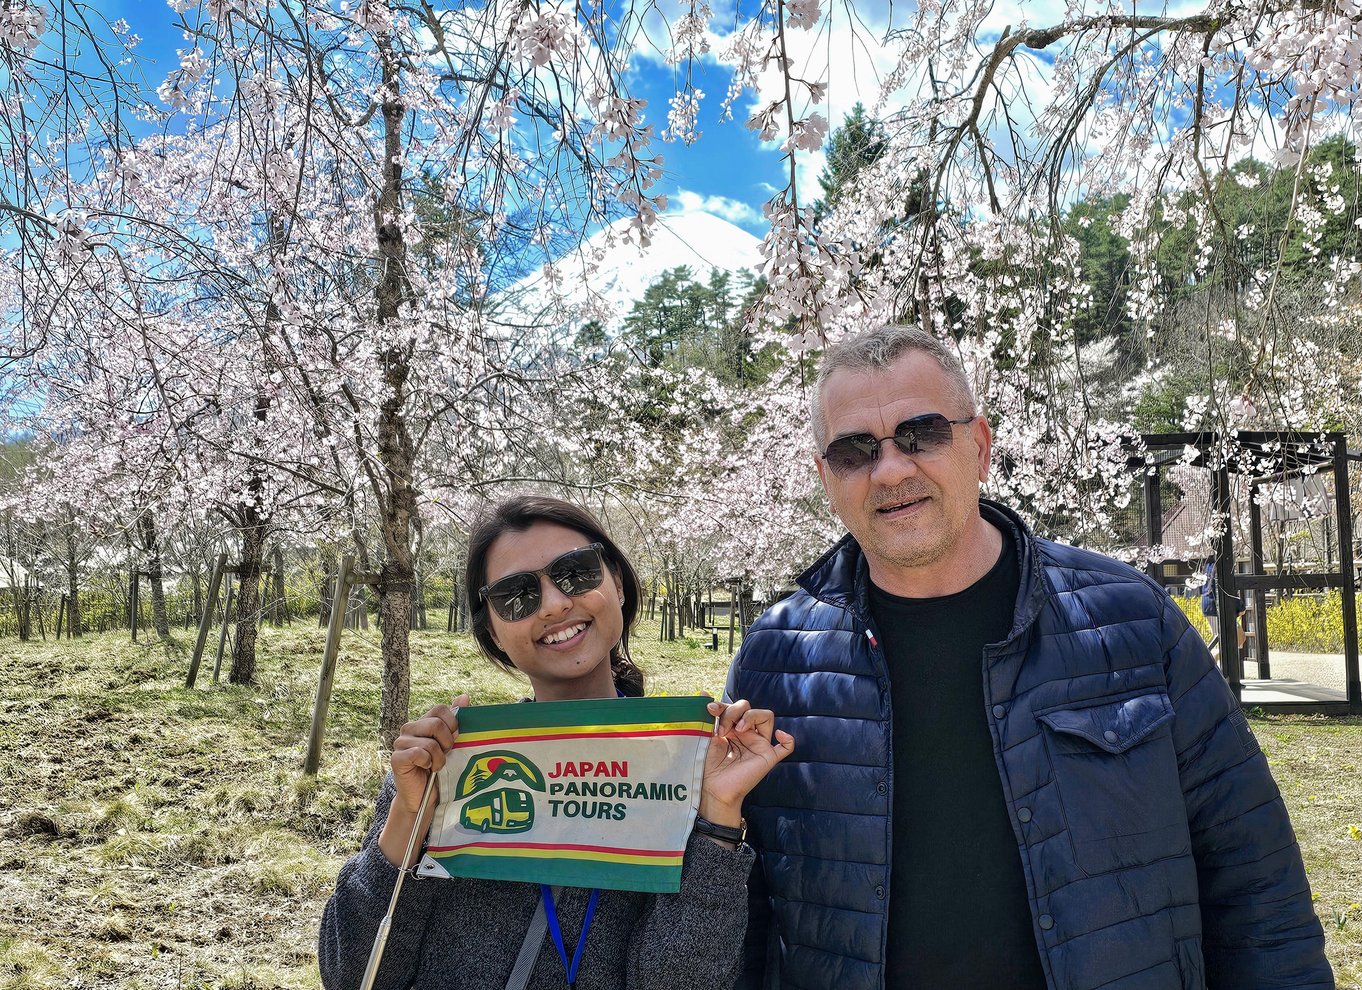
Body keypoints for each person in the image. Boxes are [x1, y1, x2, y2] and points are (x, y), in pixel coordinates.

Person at [726, 325, 1333, 990]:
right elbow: (743, 916)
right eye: (854, 450)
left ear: (979, 446)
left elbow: (1255, 879)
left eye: (921, 433)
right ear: (826, 477)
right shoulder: (775, 658)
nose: (892, 469)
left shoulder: (1132, 621)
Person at [320, 494, 794, 990]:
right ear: (493, 631)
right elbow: (351, 976)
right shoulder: (450, 764)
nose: (553, 604)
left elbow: (681, 980)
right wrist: (408, 818)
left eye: (576, 572)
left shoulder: (689, 768)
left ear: (618, 582)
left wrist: (716, 816)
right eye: (517, 595)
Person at [1200, 558, 1246, 659]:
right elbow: (1227, 590)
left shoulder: (1208, 565)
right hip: (1216, 607)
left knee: (1233, 638)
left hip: (1209, 605)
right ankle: (1210, 660)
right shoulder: (1222, 564)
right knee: (1234, 639)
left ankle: (1213, 659)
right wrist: (1240, 607)